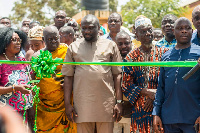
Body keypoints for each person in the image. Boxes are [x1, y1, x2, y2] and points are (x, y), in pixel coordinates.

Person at [62, 14, 122, 133]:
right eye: (84, 28)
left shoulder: (110, 45)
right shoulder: (73, 47)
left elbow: (117, 75)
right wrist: (67, 104)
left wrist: (119, 102)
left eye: (90, 28)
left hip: (106, 104)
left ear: (98, 28)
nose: (87, 31)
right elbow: (68, 77)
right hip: (82, 105)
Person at [153, 17, 200, 133]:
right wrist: (156, 113)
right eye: (180, 28)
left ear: (192, 31)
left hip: (193, 118)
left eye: (187, 28)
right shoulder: (166, 56)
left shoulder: (199, 53)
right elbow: (161, 88)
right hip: (169, 118)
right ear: (173, 31)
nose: (184, 31)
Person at [122, 17, 167, 133]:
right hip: (140, 108)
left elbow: (170, 79)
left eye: (150, 30)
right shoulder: (131, 57)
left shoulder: (164, 53)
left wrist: (155, 96)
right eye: (143, 31)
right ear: (136, 34)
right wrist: (147, 92)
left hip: (162, 106)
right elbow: (126, 84)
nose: (148, 33)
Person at [32, 25, 77, 133]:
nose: (53, 41)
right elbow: (33, 80)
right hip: (44, 106)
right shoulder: (37, 56)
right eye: (50, 39)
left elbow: (76, 72)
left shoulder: (67, 51)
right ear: (43, 40)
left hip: (65, 102)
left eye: (56, 38)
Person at [0, 27, 32, 117]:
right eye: (14, 40)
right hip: (5, 113)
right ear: (5, 43)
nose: (18, 42)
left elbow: (29, 80)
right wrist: (15, 88)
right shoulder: (1, 62)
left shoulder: (22, 60)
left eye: (19, 40)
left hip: (24, 111)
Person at [114, 31, 132, 133]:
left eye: (126, 43)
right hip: (114, 112)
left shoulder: (136, 60)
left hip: (131, 112)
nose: (123, 46)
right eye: (120, 44)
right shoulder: (110, 60)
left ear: (131, 43)